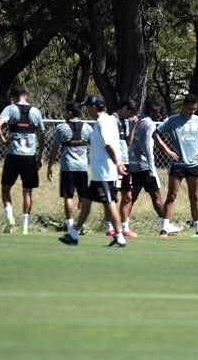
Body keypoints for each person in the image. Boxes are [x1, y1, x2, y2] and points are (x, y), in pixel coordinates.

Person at [58, 95, 128, 247]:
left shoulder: (104, 122)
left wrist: (117, 162)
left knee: (110, 203)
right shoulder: (106, 120)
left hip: (105, 172)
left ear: (94, 107)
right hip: (98, 174)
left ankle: (120, 236)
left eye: (88, 106)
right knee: (86, 202)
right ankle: (74, 234)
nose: (87, 110)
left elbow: (109, 144)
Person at [156, 93, 198, 236]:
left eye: (194, 109)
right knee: (171, 196)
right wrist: (167, 150)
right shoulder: (172, 121)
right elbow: (155, 134)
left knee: (195, 197)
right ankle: (164, 229)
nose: (192, 112)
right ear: (184, 106)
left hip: (194, 165)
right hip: (178, 165)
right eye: (190, 109)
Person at [0, 85, 45, 234]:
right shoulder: (35, 112)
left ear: (13, 97)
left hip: (13, 155)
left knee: (5, 189)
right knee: (27, 191)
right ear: (26, 96)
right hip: (29, 157)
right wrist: (40, 156)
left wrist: (3, 141)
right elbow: (42, 136)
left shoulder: (10, 109)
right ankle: (25, 227)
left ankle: (10, 217)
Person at [122, 98, 175, 235]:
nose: (158, 114)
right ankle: (166, 226)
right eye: (156, 111)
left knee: (130, 198)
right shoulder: (149, 123)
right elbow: (147, 147)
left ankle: (124, 228)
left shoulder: (135, 119)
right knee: (156, 198)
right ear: (149, 110)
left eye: (159, 111)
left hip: (132, 164)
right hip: (145, 167)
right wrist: (153, 169)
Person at [45, 101, 91, 234]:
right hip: (82, 167)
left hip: (67, 168)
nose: (64, 113)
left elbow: (54, 149)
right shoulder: (88, 127)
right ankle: (81, 225)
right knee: (83, 197)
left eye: (66, 111)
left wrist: (50, 166)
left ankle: (70, 225)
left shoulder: (61, 128)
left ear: (70, 112)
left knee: (68, 196)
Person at [107, 99, 138, 237]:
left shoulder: (126, 121)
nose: (130, 115)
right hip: (115, 163)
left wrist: (133, 127)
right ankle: (110, 227)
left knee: (128, 195)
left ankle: (124, 227)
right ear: (124, 108)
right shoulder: (110, 120)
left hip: (126, 162)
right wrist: (115, 160)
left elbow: (128, 142)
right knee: (113, 195)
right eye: (130, 111)